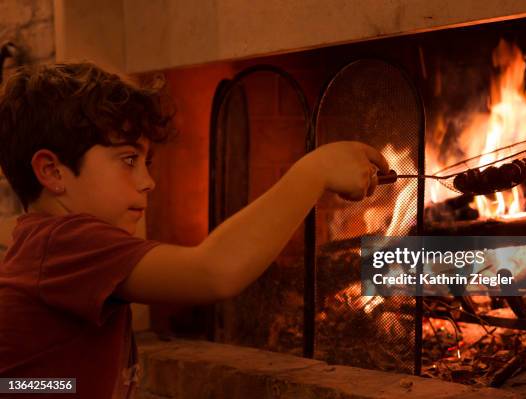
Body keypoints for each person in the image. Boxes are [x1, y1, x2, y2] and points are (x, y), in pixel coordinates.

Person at [0, 62, 389, 398]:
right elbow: (213, 272)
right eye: (129, 159)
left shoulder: (44, 243)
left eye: (147, 162)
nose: (148, 181)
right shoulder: (66, 241)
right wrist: (314, 171)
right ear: (52, 172)